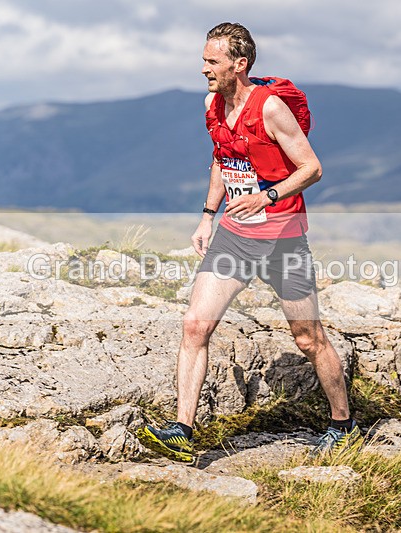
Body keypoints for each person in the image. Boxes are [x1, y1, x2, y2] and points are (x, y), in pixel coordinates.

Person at [141, 22, 361, 463]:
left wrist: (270, 193)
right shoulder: (213, 105)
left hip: (283, 239)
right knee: (195, 326)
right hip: (234, 237)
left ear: (239, 64)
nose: (203, 68)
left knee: (307, 338)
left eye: (212, 61)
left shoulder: (271, 108)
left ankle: (344, 424)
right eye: (204, 59)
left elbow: (312, 168)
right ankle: (183, 430)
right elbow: (223, 159)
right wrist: (207, 216)